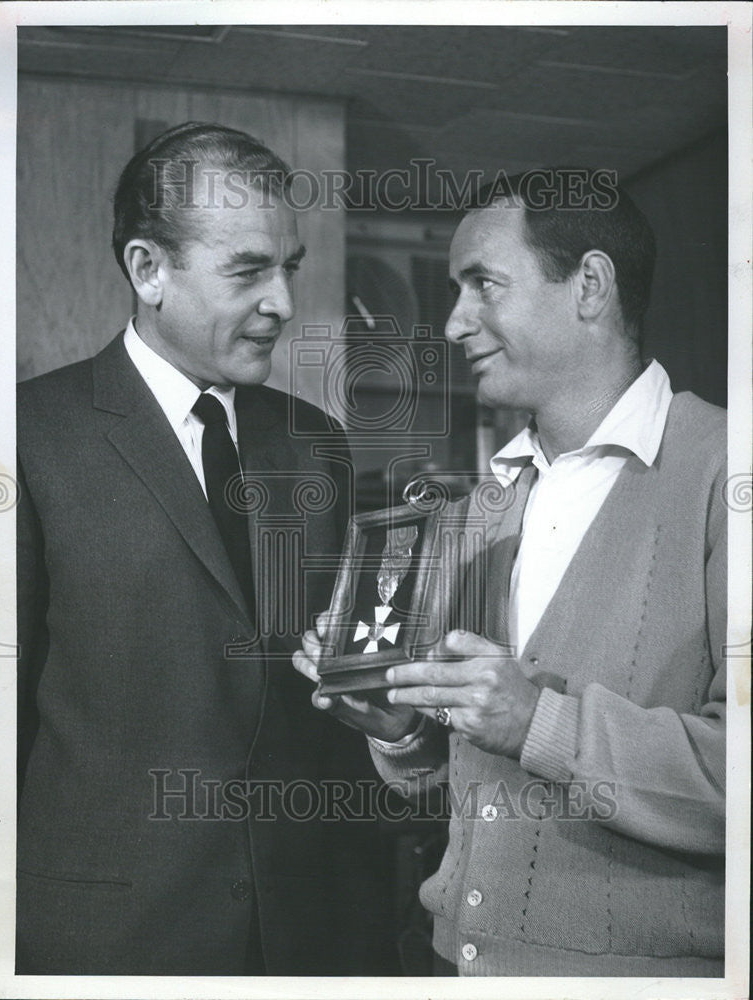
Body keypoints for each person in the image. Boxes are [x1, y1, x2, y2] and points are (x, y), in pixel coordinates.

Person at [295, 169, 726, 976]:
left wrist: (539, 722)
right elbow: (460, 778)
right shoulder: (480, 506)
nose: (455, 321)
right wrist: (398, 732)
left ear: (589, 286)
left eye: (483, 285)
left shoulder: (725, 473)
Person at [16, 122, 396, 975]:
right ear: (149, 270)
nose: (284, 304)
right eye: (248, 271)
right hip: (105, 944)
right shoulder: (28, 437)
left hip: (309, 936)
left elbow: (337, 709)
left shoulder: (317, 444)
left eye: (289, 268)